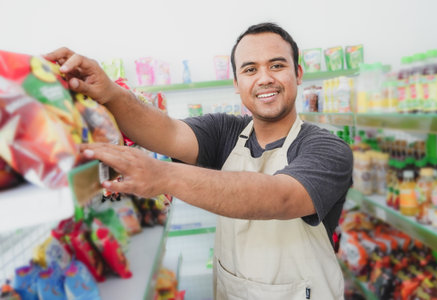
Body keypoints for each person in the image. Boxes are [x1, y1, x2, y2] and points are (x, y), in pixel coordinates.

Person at [46, 22, 352, 299]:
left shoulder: (327, 148)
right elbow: (165, 131)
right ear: (236, 82)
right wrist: (109, 92)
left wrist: (163, 176)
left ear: (298, 73)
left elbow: (281, 197)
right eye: (249, 69)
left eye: (277, 65)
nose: (265, 78)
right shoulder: (225, 131)